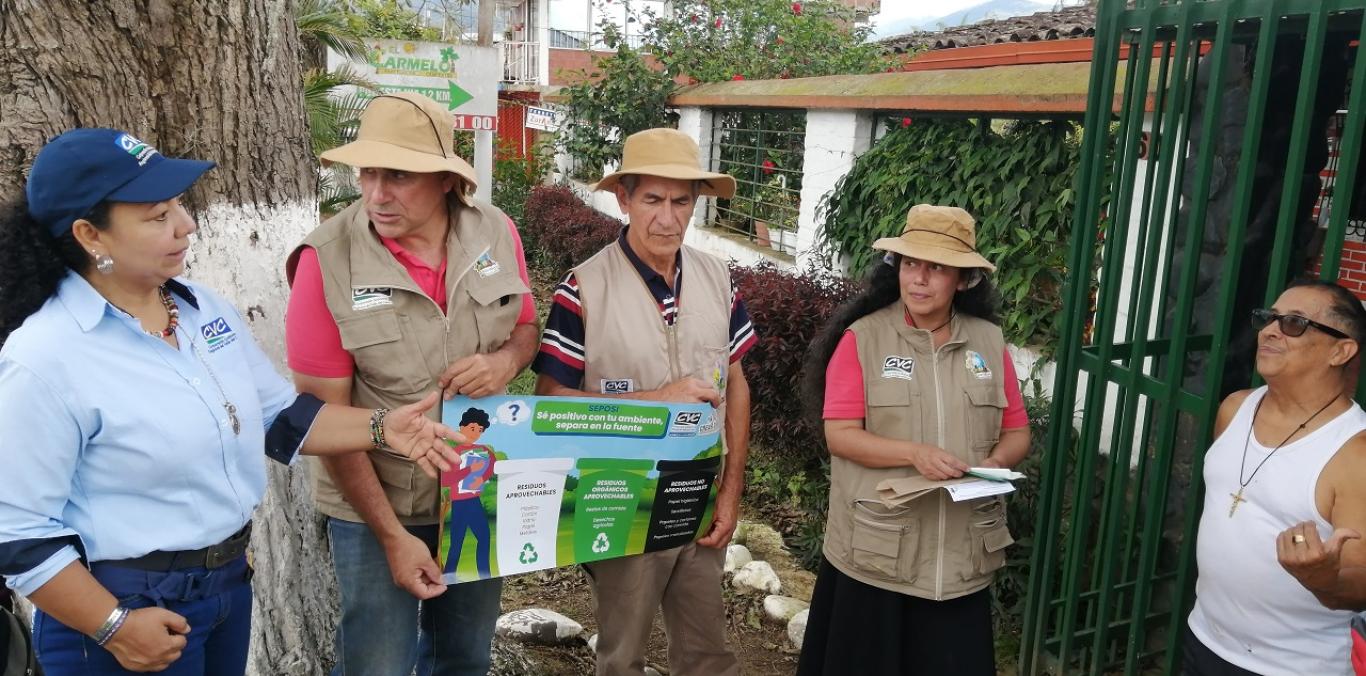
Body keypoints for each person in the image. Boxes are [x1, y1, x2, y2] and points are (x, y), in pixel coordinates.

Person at [0, 128, 461, 676]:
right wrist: (113, 625)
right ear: (89, 235)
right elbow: (20, 534)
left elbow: (279, 420)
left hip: (224, 589)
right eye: (157, 215)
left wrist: (384, 428)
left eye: (179, 205)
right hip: (123, 604)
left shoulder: (201, 313)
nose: (185, 224)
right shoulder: (46, 356)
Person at [285, 92, 538, 676]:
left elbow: (525, 330)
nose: (377, 194)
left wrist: (505, 362)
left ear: (447, 180)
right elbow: (325, 420)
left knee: (465, 658)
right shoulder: (327, 261)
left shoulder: (496, 233)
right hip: (376, 502)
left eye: (398, 175)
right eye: (368, 173)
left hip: (475, 490)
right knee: (379, 665)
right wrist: (393, 536)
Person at [533, 127, 757, 676]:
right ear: (623, 198)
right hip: (619, 492)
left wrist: (730, 492)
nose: (667, 217)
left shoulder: (717, 278)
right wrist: (659, 400)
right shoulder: (582, 288)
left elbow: (737, 385)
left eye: (682, 201)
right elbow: (552, 404)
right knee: (622, 653)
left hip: (697, 493)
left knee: (709, 653)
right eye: (652, 199)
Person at [796, 204, 1031, 675]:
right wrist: (914, 454)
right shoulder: (863, 339)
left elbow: (1017, 431)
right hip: (879, 557)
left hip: (960, 559)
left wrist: (989, 466)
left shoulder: (988, 342)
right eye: (910, 264)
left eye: (937, 267)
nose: (919, 279)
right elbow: (839, 436)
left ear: (963, 280)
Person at [1186, 280, 1366, 676]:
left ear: (1341, 350)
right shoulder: (1235, 409)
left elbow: (1358, 588)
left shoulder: (1354, 454)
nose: (1269, 330)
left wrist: (1323, 578)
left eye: (1294, 323)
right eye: (1268, 318)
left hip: (1293, 667)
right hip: (1203, 639)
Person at [442, 408, 495, 578]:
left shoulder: (483, 450)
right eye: (473, 429)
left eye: (480, 430)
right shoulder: (454, 452)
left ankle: (484, 574)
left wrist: (482, 478)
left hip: (474, 501)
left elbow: (492, 464)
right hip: (460, 503)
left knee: (484, 537)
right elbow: (445, 480)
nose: (476, 434)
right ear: (462, 427)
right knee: (457, 542)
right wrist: (469, 469)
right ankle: (449, 576)